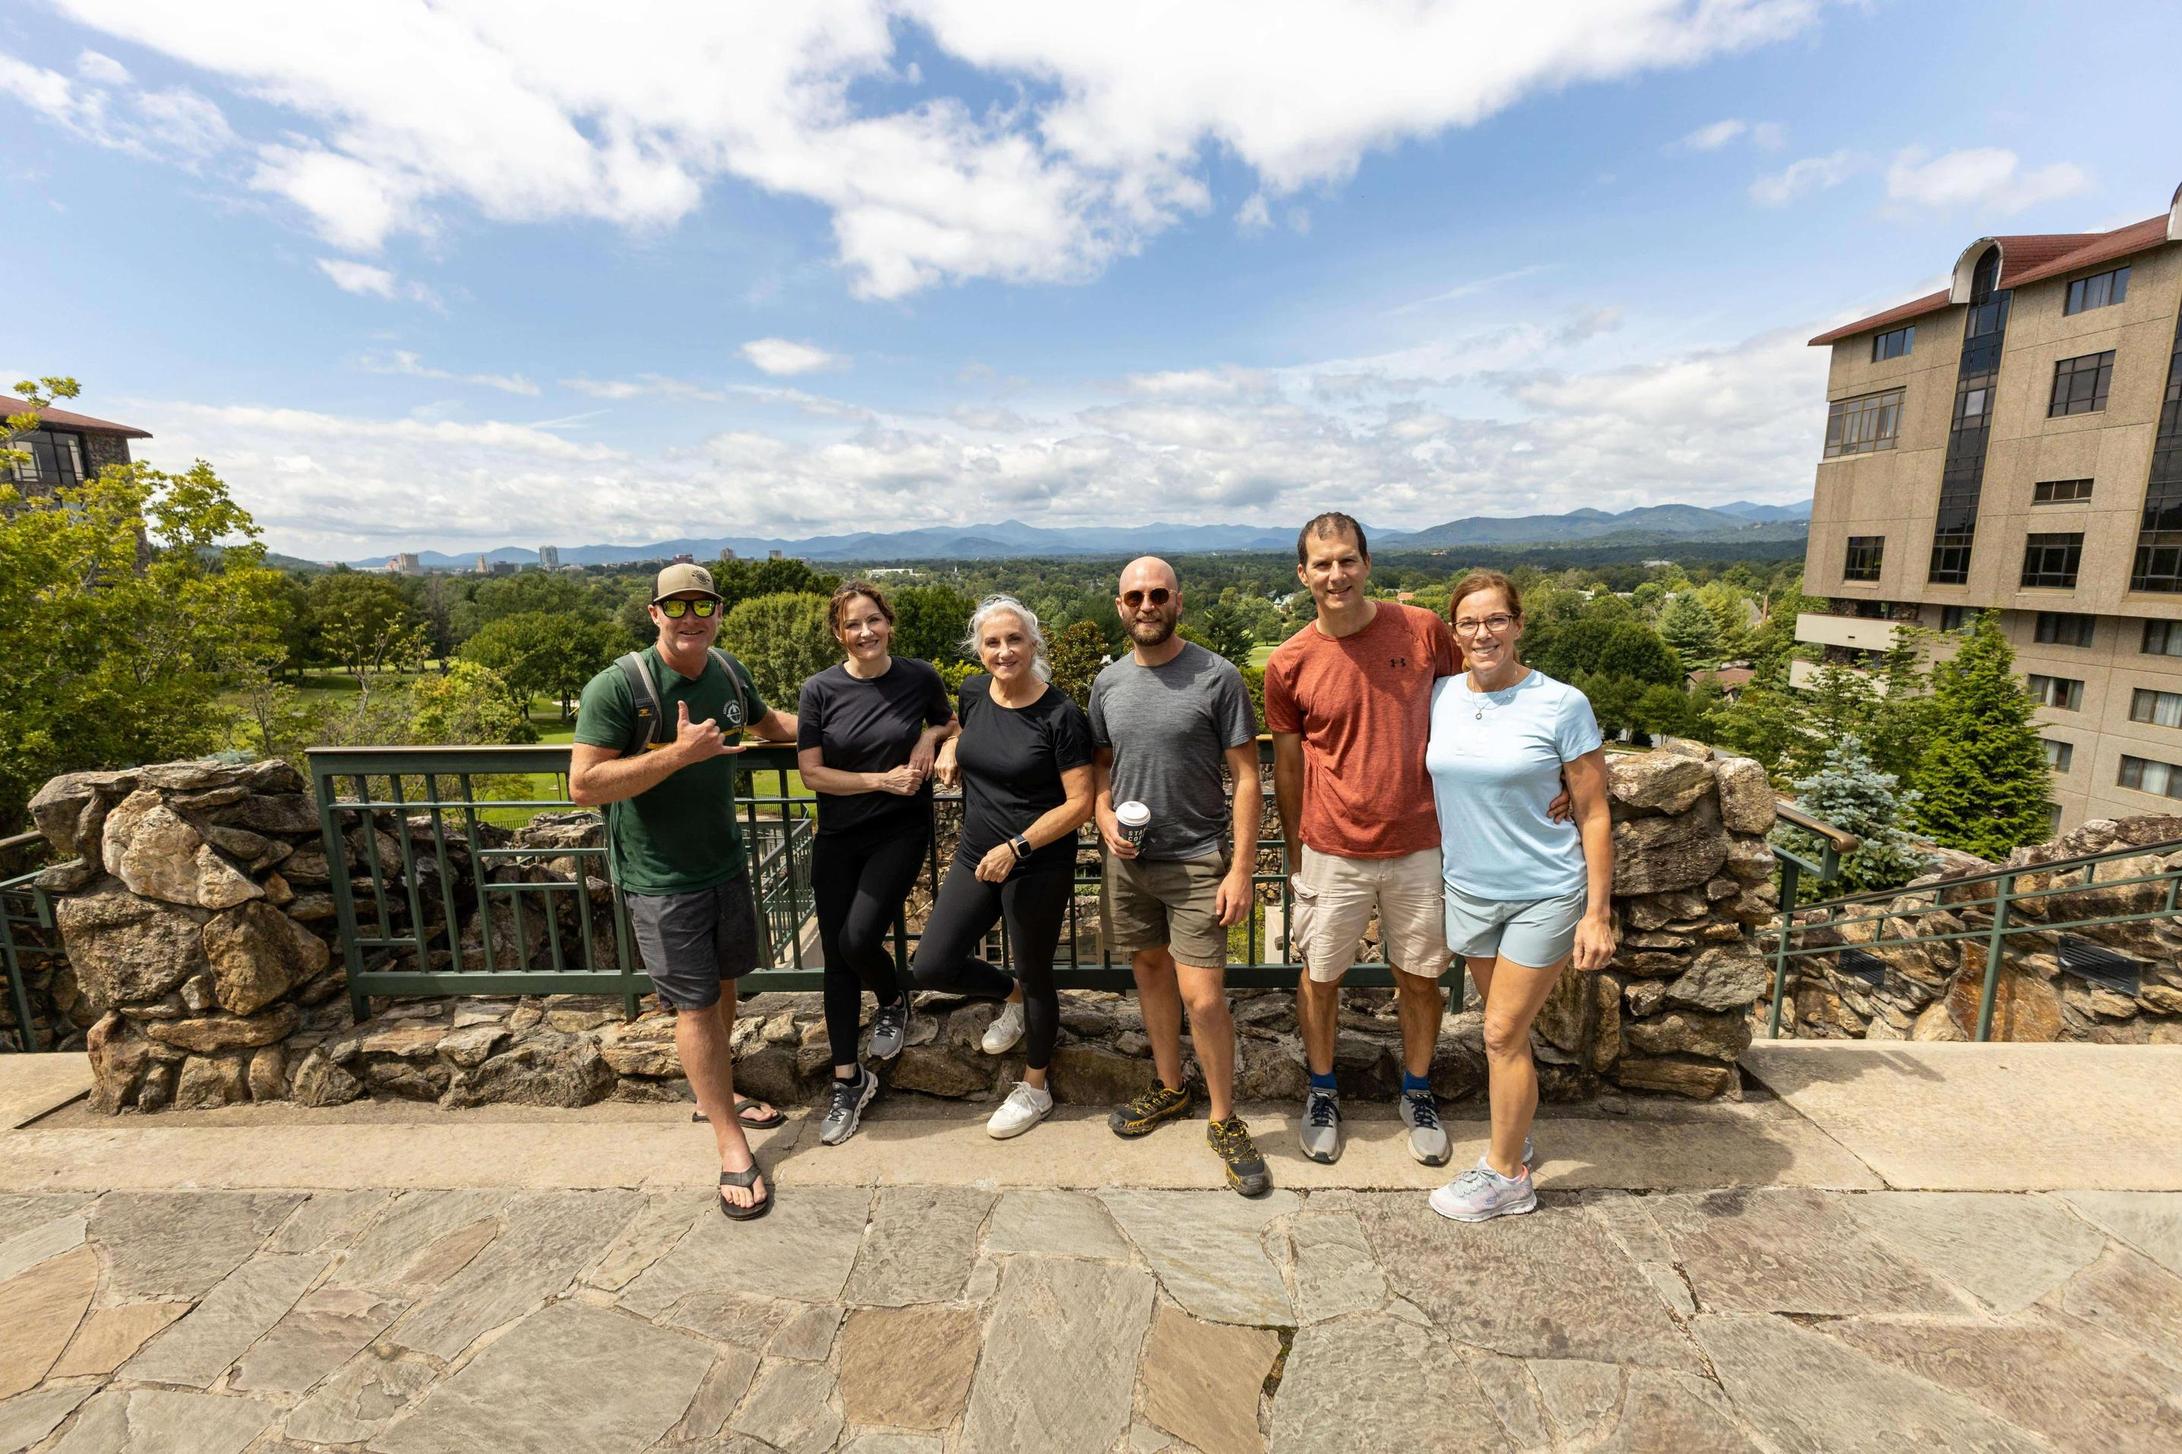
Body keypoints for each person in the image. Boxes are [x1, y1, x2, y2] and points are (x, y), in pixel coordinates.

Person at [569, 563, 798, 1220]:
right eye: (678, 604)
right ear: (655, 613)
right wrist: (677, 754)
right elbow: (584, 785)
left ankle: (710, 1096)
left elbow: (769, 727)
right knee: (695, 1008)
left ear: (719, 611)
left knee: (726, 986)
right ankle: (732, 1147)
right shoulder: (619, 686)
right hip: (660, 879)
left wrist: (860, 726)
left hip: (722, 863)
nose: (692, 615)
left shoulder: (727, 671)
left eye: (704, 603)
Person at [1264, 512, 1463, 1167]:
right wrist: (1298, 853)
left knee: (1421, 978)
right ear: (1303, 574)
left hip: (1420, 841)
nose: (1336, 574)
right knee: (1320, 977)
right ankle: (1323, 1092)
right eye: (1322, 563)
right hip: (1332, 848)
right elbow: (1288, 767)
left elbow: (1477, 705)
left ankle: (1418, 1089)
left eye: (1346, 560)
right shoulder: (1290, 663)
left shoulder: (1422, 630)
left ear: (1367, 564)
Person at [1423, 570, 1615, 1222]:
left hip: (1545, 893)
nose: (1484, 633)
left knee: (1501, 1032)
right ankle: (1515, 1129)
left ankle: (1506, 1176)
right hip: (1470, 890)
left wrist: (1597, 912)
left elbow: (1593, 811)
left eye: (1496, 620)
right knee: (1508, 1034)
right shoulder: (1442, 694)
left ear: (1519, 624)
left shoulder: (1562, 704)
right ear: (1456, 632)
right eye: (1470, 622)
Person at [1092, 557, 1271, 1197]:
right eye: (1135, 595)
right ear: (1120, 606)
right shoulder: (1107, 683)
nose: (1147, 604)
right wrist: (1102, 813)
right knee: (1147, 972)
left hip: (1198, 860)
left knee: (1204, 998)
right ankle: (1170, 1088)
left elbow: (1248, 777)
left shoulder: (1216, 677)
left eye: (1158, 594)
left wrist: (1242, 868)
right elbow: (1104, 768)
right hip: (1130, 862)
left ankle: (1224, 1119)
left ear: (1177, 602)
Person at [913, 595, 1094, 1139]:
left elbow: (1079, 802)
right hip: (976, 852)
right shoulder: (973, 693)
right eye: (992, 642)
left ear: (1034, 643)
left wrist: (1017, 846)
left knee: (1037, 973)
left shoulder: (1061, 715)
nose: (1004, 650)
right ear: (980, 649)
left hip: (1036, 860)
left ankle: (1036, 1087)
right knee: (933, 964)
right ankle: (1008, 999)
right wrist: (947, 743)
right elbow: (966, 729)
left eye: (1014, 639)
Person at [795, 580, 957, 1146]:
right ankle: (848, 1078)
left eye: (873, 620)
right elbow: (812, 774)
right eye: (852, 625)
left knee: (858, 939)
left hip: (899, 830)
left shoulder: (918, 677)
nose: (864, 632)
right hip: (839, 833)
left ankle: (892, 996)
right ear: (838, 633)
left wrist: (930, 739)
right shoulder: (819, 689)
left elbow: (951, 721)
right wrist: (877, 780)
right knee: (836, 962)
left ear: (888, 622)